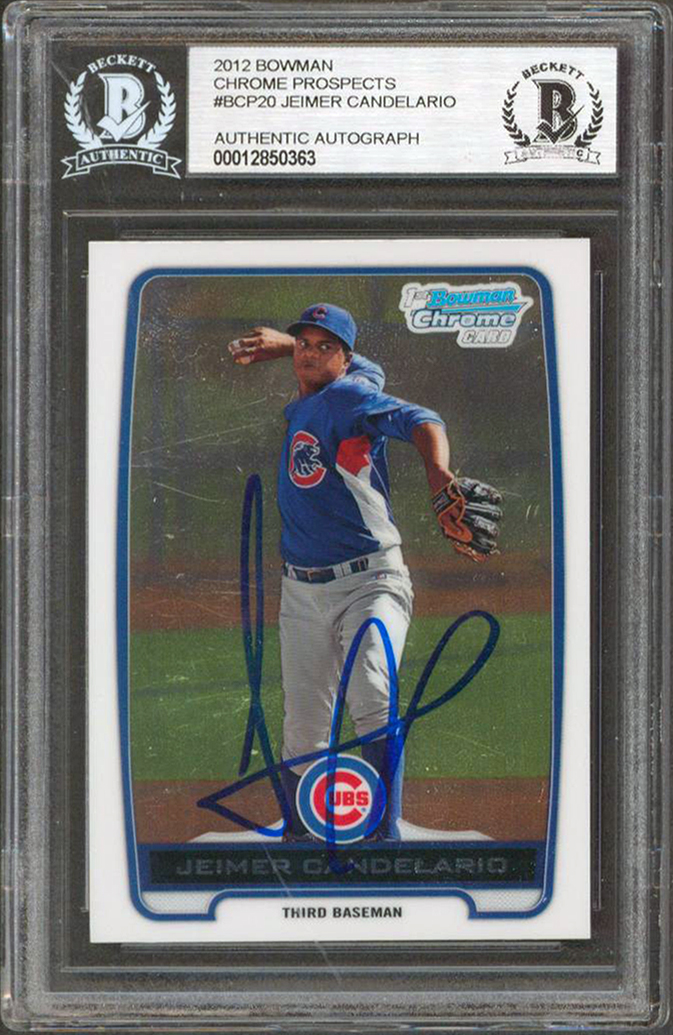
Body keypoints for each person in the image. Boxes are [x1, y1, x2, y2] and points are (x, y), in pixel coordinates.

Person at [228, 303, 459, 841]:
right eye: (303, 343)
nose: (309, 353)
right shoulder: (341, 385)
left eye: (324, 346)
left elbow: (422, 418)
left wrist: (438, 471)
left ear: (345, 359)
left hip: (369, 580)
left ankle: (383, 836)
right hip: (301, 590)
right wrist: (290, 348)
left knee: (372, 689)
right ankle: (301, 837)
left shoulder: (349, 396)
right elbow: (366, 366)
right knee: (304, 724)